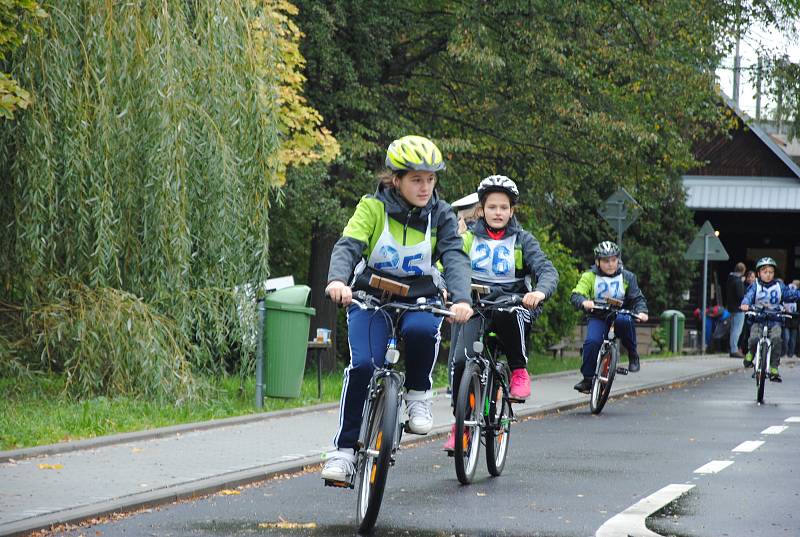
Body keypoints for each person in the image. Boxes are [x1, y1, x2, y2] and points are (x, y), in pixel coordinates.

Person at [322, 135, 473, 484]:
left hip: (420, 297)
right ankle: (344, 452)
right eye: (416, 179)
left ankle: (419, 394)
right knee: (362, 366)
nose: (425, 187)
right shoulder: (371, 208)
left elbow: (454, 257)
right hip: (372, 296)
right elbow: (349, 245)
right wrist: (337, 281)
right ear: (396, 179)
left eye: (431, 179)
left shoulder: (443, 215)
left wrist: (462, 298)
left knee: (422, 330)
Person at [442, 175, 558, 450]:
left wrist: (539, 292)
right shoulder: (467, 238)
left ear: (511, 211)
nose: (497, 213)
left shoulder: (522, 240)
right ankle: (461, 424)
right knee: (461, 361)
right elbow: (447, 265)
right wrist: (445, 289)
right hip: (477, 307)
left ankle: (519, 371)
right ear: (481, 209)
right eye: (492, 207)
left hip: (513, 305)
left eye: (503, 208)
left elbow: (546, 270)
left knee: (509, 313)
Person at [570, 241, 648, 393]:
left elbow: (637, 298)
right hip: (598, 315)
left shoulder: (627, 277)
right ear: (597, 262)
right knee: (592, 342)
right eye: (606, 261)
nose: (611, 264)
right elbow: (577, 293)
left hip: (620, 314)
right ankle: (587, 379)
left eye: (613, 260)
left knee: (625, 321)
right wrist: (584, 301)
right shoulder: (589, 276)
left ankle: (633, 354)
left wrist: (642, 311)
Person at [740, 257, 800, 382]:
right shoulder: (754, 285)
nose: (768, 275)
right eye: (765, 272)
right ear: (759, 273)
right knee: (754, 337)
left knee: (777, 339)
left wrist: (797, 294)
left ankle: (773, 368)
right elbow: (748, 296)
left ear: (774, 273)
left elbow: (789, 295)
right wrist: (745, 304)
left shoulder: (779, 285)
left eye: (771, 272)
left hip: (775, 318)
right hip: (758, 318)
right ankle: (750, 354)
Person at [446, 192, 482, 393]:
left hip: (476, 297)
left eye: (462, 219)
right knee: (458, 340)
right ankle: (455, 384)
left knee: (459, 341)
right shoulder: (464, 239)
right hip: (464, 296)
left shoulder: (471, 237)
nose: (458, 224)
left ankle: (457, 385)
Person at [725, 262, 747, 357]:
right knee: (737, 330)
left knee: (733, 329)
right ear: (743, 271)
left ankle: (732, 348)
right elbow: (740, 295)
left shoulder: (730, 279)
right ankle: (734, 349)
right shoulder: (738, 281)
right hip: (738, 308)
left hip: (731, 307)